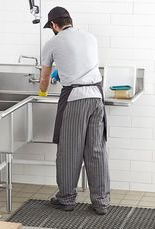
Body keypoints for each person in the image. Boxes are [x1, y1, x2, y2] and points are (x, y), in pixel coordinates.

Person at [39, 6, 110, 215]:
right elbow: (80, 62)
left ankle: (66, 199)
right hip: (97, 97)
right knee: (96, 151)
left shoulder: (52, 43)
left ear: (53, 25)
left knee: (69, 151)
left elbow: (44, 79)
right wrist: (63, 73)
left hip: (76, 99)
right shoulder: (90, 37)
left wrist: (42, 94)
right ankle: (101, 202)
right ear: (70, 20)